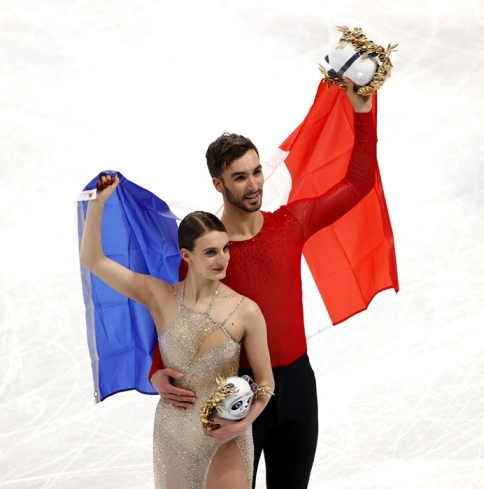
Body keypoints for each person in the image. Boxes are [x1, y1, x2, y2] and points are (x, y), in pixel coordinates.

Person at [149, 83, 378, 488]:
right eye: (240, 177)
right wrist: (156, 370)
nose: (254, 184)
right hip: (234, 396)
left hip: (299, 387)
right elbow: (180, 311)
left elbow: (359, 182)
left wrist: (363, 110)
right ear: (218, 184)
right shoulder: (210, 253)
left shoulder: (291, 224)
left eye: (256, 172)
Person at [79, 172, 275, 489]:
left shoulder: (246, 311)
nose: (223, 259)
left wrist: (242, 425)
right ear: (186, 255)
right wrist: (98, 204)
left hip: (226, 433)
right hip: (174, 432)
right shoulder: (159, 296)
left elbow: (265, 383)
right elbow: (93, 260)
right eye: (211, 252)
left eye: (225, 248)